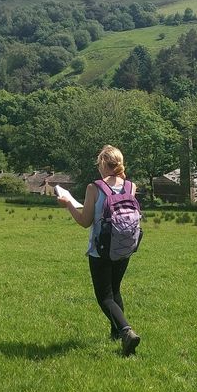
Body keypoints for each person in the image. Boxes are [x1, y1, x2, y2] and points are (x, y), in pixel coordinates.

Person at [57, 145, 141, 356]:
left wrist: (68, 204)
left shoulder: (94, 187)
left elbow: (85, 222)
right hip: (125, 247)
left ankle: (126, 331)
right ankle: (116, 334)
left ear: (103, 164)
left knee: (104, 296)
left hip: (101, 249)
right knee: (115, 289)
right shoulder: (131, 186)